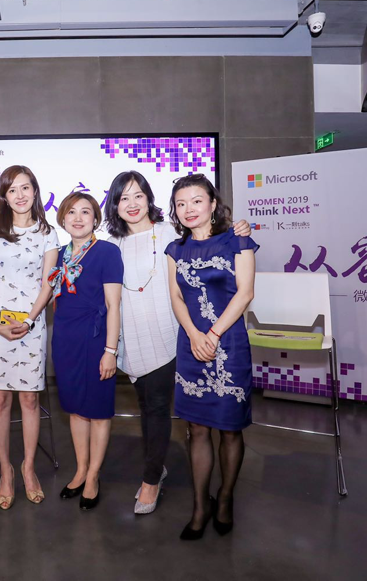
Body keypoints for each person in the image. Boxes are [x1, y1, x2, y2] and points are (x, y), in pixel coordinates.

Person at [104, 171, 252, 515]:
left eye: (138, 195)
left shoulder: (170, 233)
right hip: (132, 337)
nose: (132, 203)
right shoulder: (111, 244)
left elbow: (214, 250)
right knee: (148, 408)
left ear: (149, 199)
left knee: (158, 408)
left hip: (171, 335)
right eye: (123, 198)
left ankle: (151, 479)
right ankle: (162, 472)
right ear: (114, 205)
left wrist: (238, 227)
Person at [165, 174, 258, 541]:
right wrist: (193, 334)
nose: (188, 209)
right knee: (196, 429)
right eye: (181, 203)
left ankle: (226, 498)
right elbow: (176, 297)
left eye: (196, 200)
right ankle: (200, 506)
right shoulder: (175, 250)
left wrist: (214, 334)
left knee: (230, 429)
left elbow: (245, 293)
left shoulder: (238, 240)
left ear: (213, 204)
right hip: (192, 346)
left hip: (229, 345)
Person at [0, 165, 59, 510]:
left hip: (31, 325)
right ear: (4, 196)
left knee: (29, 400)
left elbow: (48, 284)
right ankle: (6, 471)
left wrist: (29, 318)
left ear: (35, 191)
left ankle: (28, 467)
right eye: (12, 190)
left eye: (26, 188)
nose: (20, 195)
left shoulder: (48, 233)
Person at [49, 192, 123, 510]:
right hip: (65, 340)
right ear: (63, 218)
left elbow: (113, 305)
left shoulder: (107, 252)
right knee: (76, 408)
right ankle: (80, 470)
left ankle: (93, 476)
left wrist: (110, 351)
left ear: (96, 219)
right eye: (71, 212)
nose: (78, 218)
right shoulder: (59, 255)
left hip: (95, 341)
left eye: (85, 212)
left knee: (98, 410)